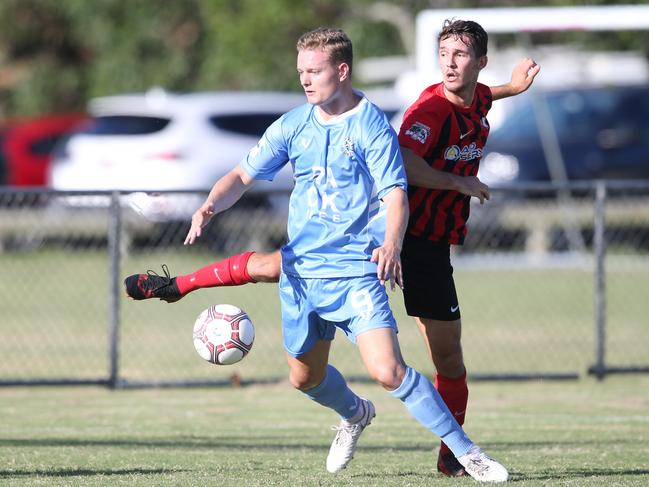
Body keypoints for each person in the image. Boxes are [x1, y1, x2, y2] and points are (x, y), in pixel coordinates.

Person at [126, 27, 509, 482]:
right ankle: (354, 414)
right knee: (304, 379)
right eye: (301, 72)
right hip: (302, 276)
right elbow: (241, 176)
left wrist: (390, 243)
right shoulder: (294, 124)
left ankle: (468, 454)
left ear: (341, 70)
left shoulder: (371, 126)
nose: (305, 80)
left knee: (389, 370)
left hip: (354, 273)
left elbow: (395, 194)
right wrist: (211, 203)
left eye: (314, 71)